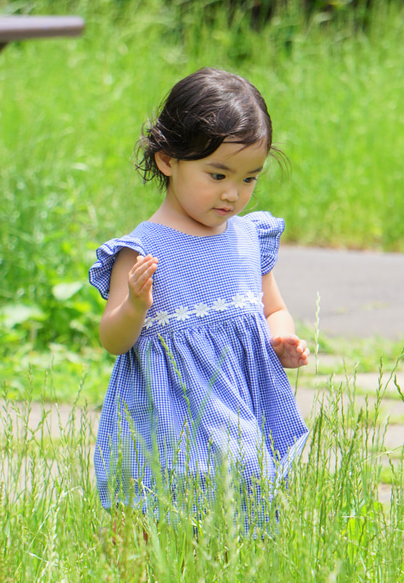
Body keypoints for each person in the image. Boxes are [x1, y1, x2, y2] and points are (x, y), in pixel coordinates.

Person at [89, 68, 309, 518]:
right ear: (167, 160)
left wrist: (281, 337)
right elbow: (112, 340)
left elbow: (275, 308)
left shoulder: (249, 238)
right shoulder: (142, 250)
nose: (232, 194)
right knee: (154, 520)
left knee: (241, 508)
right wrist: (134, 306)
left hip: (239, 409)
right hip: (170, 420)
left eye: (249, 179)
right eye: (217, 174)